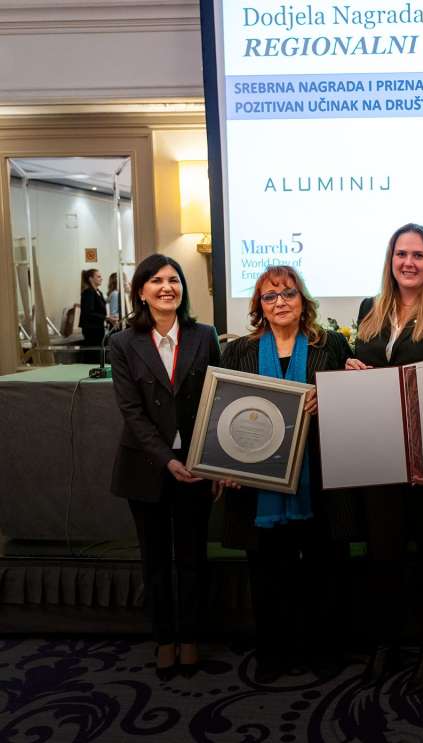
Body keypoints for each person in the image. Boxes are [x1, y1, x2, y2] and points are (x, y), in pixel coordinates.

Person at [345, 223, 423, 693]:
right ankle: (386, 644)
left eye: (418, 255)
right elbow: (371, 372)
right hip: (380, 453)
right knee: (384, 553)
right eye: (402, 254)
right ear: (391, 259)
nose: (409, 262)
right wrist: (353, 369)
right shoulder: (370, 308)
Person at [220, 265, 354, 684]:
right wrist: (225, 465)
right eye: (270, 296)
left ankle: (323, 651)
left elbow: (350, 401)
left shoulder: (330, 344)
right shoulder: (238, 351)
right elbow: (226, 413)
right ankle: (273, 653)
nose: (280, 302)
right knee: (267, 573)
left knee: (323, 570)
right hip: (259, 484)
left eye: (288, 294)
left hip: (320, 479)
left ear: (303, 300)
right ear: (259, 306)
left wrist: (329, 396)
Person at [108, 254, 221, 680]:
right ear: (141, 291)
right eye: (155, 280)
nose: (166, 287)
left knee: (193, 557)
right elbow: (131, 412)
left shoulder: (204, 335)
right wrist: (167, 459)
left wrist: (212, 460)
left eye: (174, 280)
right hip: (146, 466)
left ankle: (190, 637)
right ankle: (164, 640)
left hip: (196, 465)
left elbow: (218, 399)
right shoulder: (123, 343)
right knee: (154, 560)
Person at [79, 268, 107, 362]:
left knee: (98, 353)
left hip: (98, 328)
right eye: (98, 276)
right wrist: (106, 318)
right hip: (91, 329)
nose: (101, 278)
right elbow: (89, 313)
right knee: (93, 354)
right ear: (91, 279)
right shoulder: (88, 293)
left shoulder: (98, 292)